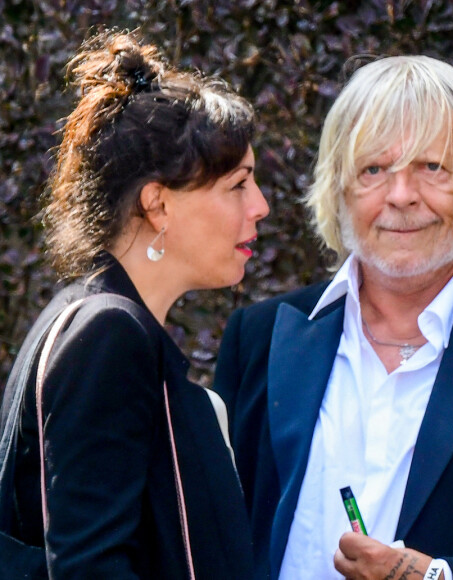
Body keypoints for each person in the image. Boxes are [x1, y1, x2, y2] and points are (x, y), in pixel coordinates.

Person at [214, 54, 453, 579]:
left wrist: (434, 577)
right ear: (339, 187)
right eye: (374, 170)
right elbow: (210, 538)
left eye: (431, 167)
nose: (402, 196)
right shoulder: (262, 337)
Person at [0, 29, 269, 579]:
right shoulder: (107, 333)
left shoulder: (98, 318)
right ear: (158, 204)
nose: (261, 206)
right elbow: (90, 567)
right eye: (238, 185)